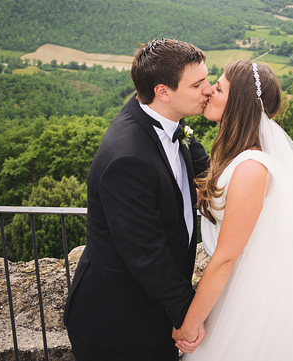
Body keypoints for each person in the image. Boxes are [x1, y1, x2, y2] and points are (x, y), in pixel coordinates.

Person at [174, 61, 293, 360]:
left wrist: (190, 324)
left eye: (218, 88)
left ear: (239, 103)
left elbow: (225, 257)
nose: (209, 91)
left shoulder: (251, 168)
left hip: (250, 301)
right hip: (234, 292)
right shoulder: (240, 158)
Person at [65, 39, 214, 361]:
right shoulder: (128, 158)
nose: (209, 90)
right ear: (163, 91)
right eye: (199, 84)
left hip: (151, 312)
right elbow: (146, 252)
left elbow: (207, 172)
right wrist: (186, 314)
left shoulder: (170, 121)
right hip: (119, 324)